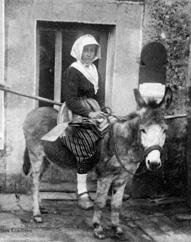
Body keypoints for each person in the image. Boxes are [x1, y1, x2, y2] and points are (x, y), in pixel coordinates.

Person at [60, 34, 106, 210]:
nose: (88, 54)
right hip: (75, 112)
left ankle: (106, 187)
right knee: (86, 142)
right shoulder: (73, 70)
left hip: (93, 111)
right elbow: (70, 100)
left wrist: (102, 111)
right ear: (79, 51)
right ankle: (82, 192)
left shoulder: (94, 70)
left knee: (111, 134)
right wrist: (88, 113)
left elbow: (99, 96)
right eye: (85, 50)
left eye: (91, 50)